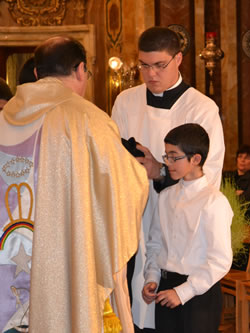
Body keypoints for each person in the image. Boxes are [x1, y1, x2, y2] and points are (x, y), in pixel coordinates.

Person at [0, 36, 149, 332]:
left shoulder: (5, 118)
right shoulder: (86, 118)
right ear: (81, 69)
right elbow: (124, 187)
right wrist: (142, 171)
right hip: (63, 261)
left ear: (36, 73)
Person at [111, 26, 225, 331]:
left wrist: (159, 172)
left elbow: (207, 177)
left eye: (159, 65)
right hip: (133, 218)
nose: (150, 74)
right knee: (132, 308)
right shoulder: (125, 101)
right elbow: (112, 160)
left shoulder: (201, 108)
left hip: (179, 232)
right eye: (144, 65)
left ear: (178, 59)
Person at [142, 123, 232, 332]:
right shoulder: (165, 197)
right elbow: (155, 244)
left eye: (174, 156)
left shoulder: (213, 201)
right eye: (166, 156)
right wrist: (152, 277)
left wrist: (183, 292)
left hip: (198, 293)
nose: (168, 162)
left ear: (196, 159)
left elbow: (220, 260)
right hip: (165, 289)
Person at [223, 145, 250, 228]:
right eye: (240, 156)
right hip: (229, 222)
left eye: (247, 158)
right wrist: (236, 193)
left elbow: (247, 199)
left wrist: (229, 194)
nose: (242, 160)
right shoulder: (227, 176)